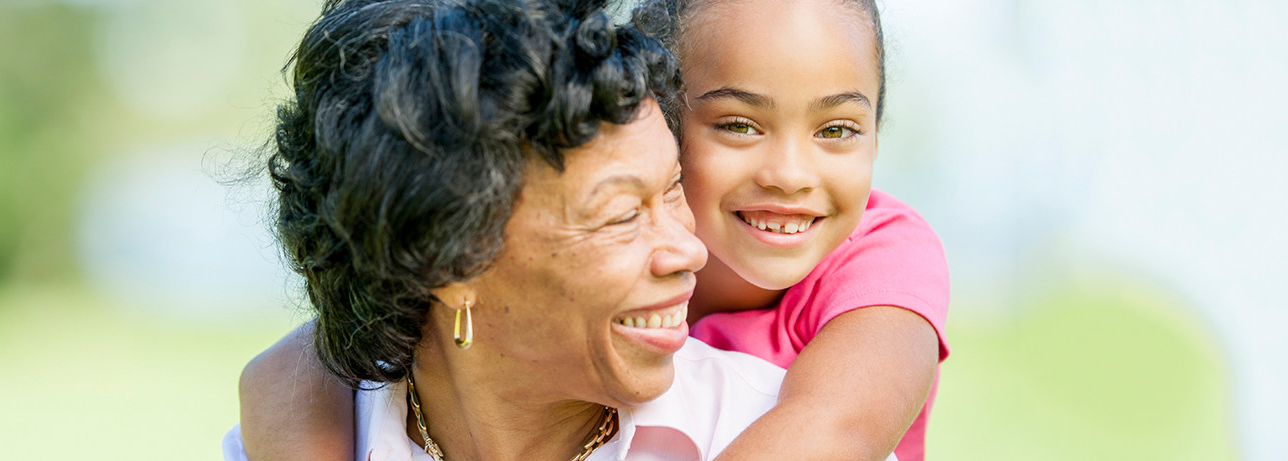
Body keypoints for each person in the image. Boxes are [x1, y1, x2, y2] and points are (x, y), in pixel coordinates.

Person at [239, 0, 952, 459]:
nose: (791, 174)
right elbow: (302, 356)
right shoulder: (340, 417)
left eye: (838, 128)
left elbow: (839, 426)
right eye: (737, 124)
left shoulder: (877, 261)